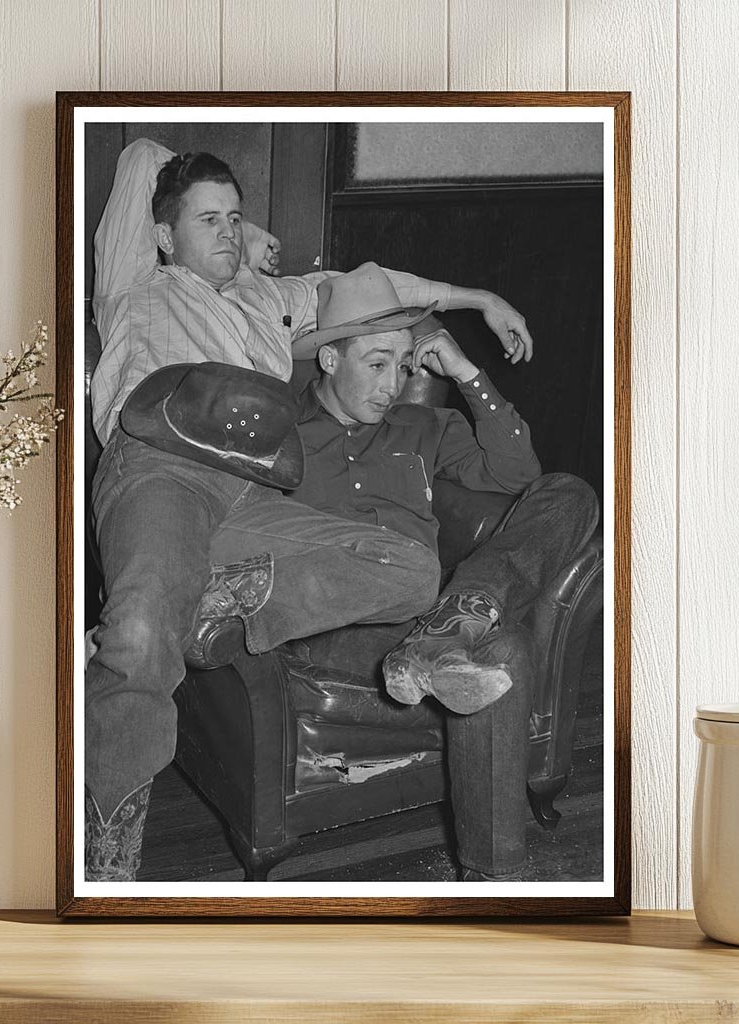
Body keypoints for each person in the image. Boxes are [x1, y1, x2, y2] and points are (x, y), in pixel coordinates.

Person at [86, 138, 539, 882]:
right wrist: (252, 230)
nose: (229, 233)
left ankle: (212, 603)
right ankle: (106, 878)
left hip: (255, 493)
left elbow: (378, 284)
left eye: (236, 218)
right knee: (138, 637)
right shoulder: (139, 281)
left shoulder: (275, 299)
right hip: (164, 470)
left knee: (410, 567)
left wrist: (476, 299)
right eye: (209, 221)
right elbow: (138, 155)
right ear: (163, 236)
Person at [280, 264, 600, 880]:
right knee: (500, 650)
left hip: (429, 612)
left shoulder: (422, 425)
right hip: (341, 623)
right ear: (327, 360)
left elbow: (517, 475)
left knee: (570, 492)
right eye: (375, 364)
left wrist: (468, 374)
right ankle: (494, 875)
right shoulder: (281, 435)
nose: (392, 384)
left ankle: (453, 625)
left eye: (402, 366)